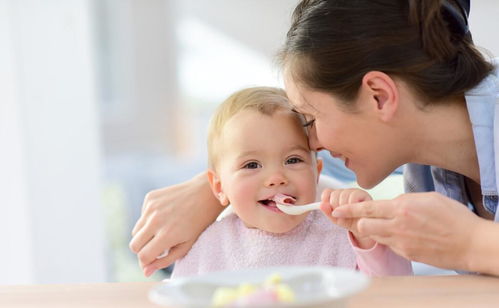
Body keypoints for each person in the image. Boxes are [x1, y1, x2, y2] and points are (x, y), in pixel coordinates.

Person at [130, 0, 499, 277]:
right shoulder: (421, 160)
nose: (313, 141)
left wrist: (472, 245)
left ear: (379, 96)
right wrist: (215, 188)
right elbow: (295, 156)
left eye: (310, 118)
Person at [169, 87, 411, 278]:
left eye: (293, 160)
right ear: (220, 187)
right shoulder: (208, 247)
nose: (276, 178)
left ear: (316, 173)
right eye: (251, 165)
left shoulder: (341, 235)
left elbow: (394, 291)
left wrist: (368, 237)